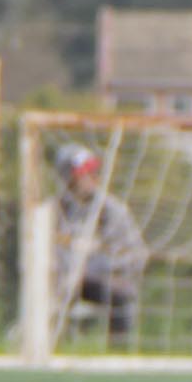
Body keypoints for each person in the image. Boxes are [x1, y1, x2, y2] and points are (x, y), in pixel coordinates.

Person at [52, 146, 146, 343]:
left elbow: (136, 254)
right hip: (61, 280)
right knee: (50, 297)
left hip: (98, 278)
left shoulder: (112, 211)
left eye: (93, 172)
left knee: (122, 296)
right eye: (83, 174)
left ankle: (118, 354)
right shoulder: (54, 211)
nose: (91, 178)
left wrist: (103, 265)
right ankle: (52, 344)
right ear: (69, 178)